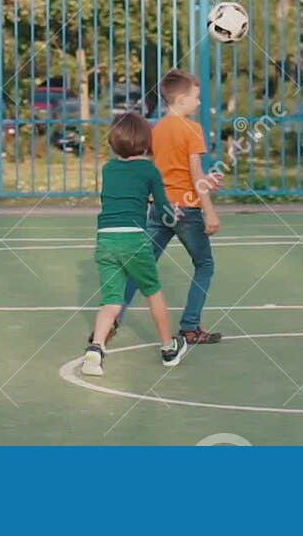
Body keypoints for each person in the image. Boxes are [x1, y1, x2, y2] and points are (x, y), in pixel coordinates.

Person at [111, 69, 223, 346]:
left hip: (161, 209)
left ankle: (113, 317)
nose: (199, 102)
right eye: (196, 97)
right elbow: (194, 174)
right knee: (205, 265)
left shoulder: (156, 130)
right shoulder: (192, 129)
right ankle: (190, 327)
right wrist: (209, 210)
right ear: (182, 99)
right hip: (187, 210)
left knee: (141, 267)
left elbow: (165, 171)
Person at [80, 111, 187, 376]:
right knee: (152, 290)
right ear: (147, 142)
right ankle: (168, 348)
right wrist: (173, 213)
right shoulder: (149, 170)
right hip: (134, 240)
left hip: (105, 239)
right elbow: (162, 207)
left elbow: (113, 199)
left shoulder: (109, 169)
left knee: (112, 300)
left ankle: (96, 348)